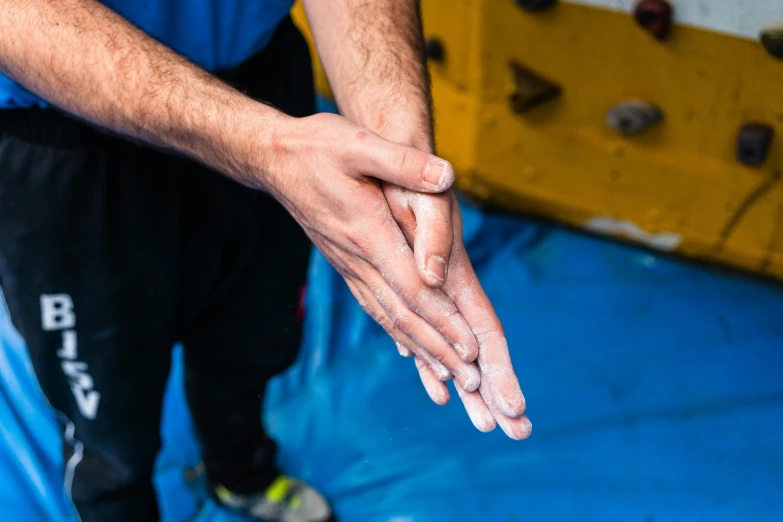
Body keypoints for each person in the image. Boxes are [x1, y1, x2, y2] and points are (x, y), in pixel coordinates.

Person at [0, 1, 532, 521]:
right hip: (65, 129)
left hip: (266, 88)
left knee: (252, 341)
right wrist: (268, 148)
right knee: (103, 407)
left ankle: (241, 472)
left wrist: (402, 160)